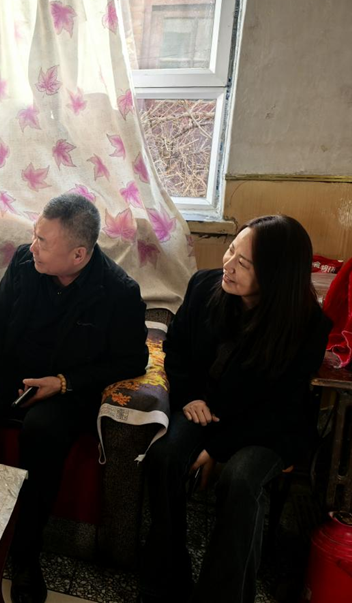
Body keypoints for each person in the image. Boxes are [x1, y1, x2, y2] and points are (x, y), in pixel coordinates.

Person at [0, 193, 148, 603]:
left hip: (68, 389)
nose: (33, 247)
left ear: (78, 254)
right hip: (13, 372)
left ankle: (26, 553)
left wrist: (63, 382)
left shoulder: (118, 292)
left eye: (43, 241)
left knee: (42, 430)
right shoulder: (25, 263)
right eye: (34, 235)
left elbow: (133, 359)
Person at [139, 215, 332, 603]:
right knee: (164, 457)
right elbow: (175, 349)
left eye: (244, 263)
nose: (228, 265)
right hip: (204, 407)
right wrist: (189, 397)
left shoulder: (306, 324)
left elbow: (281, 404)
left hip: (267, 426)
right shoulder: (204, 286)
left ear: (276, 274)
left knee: (241, 480)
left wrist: (217, 448)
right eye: (231, 251)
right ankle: (167, 579)